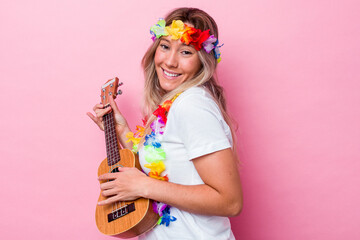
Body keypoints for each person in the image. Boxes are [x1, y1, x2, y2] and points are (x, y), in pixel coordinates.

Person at [87, 7, 243, 239]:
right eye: (165, 46)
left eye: (186, 52)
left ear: (203, 61)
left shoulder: (192, 105)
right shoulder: (174, 104)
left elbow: (230, 202)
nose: (170, 62)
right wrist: (122, 130)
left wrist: (144, 187)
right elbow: (162, 172)